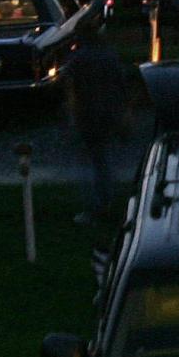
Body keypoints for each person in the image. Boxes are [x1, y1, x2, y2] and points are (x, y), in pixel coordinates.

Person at [65, 17, 131, 225]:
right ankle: (108, 201)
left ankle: (94, 208)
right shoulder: (109, 55)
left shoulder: (79, 58)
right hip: (109, 112)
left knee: (91, 162)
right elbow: (122, 85)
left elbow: (71, 88)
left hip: (87, 113)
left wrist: (72, 111)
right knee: (104, 160)